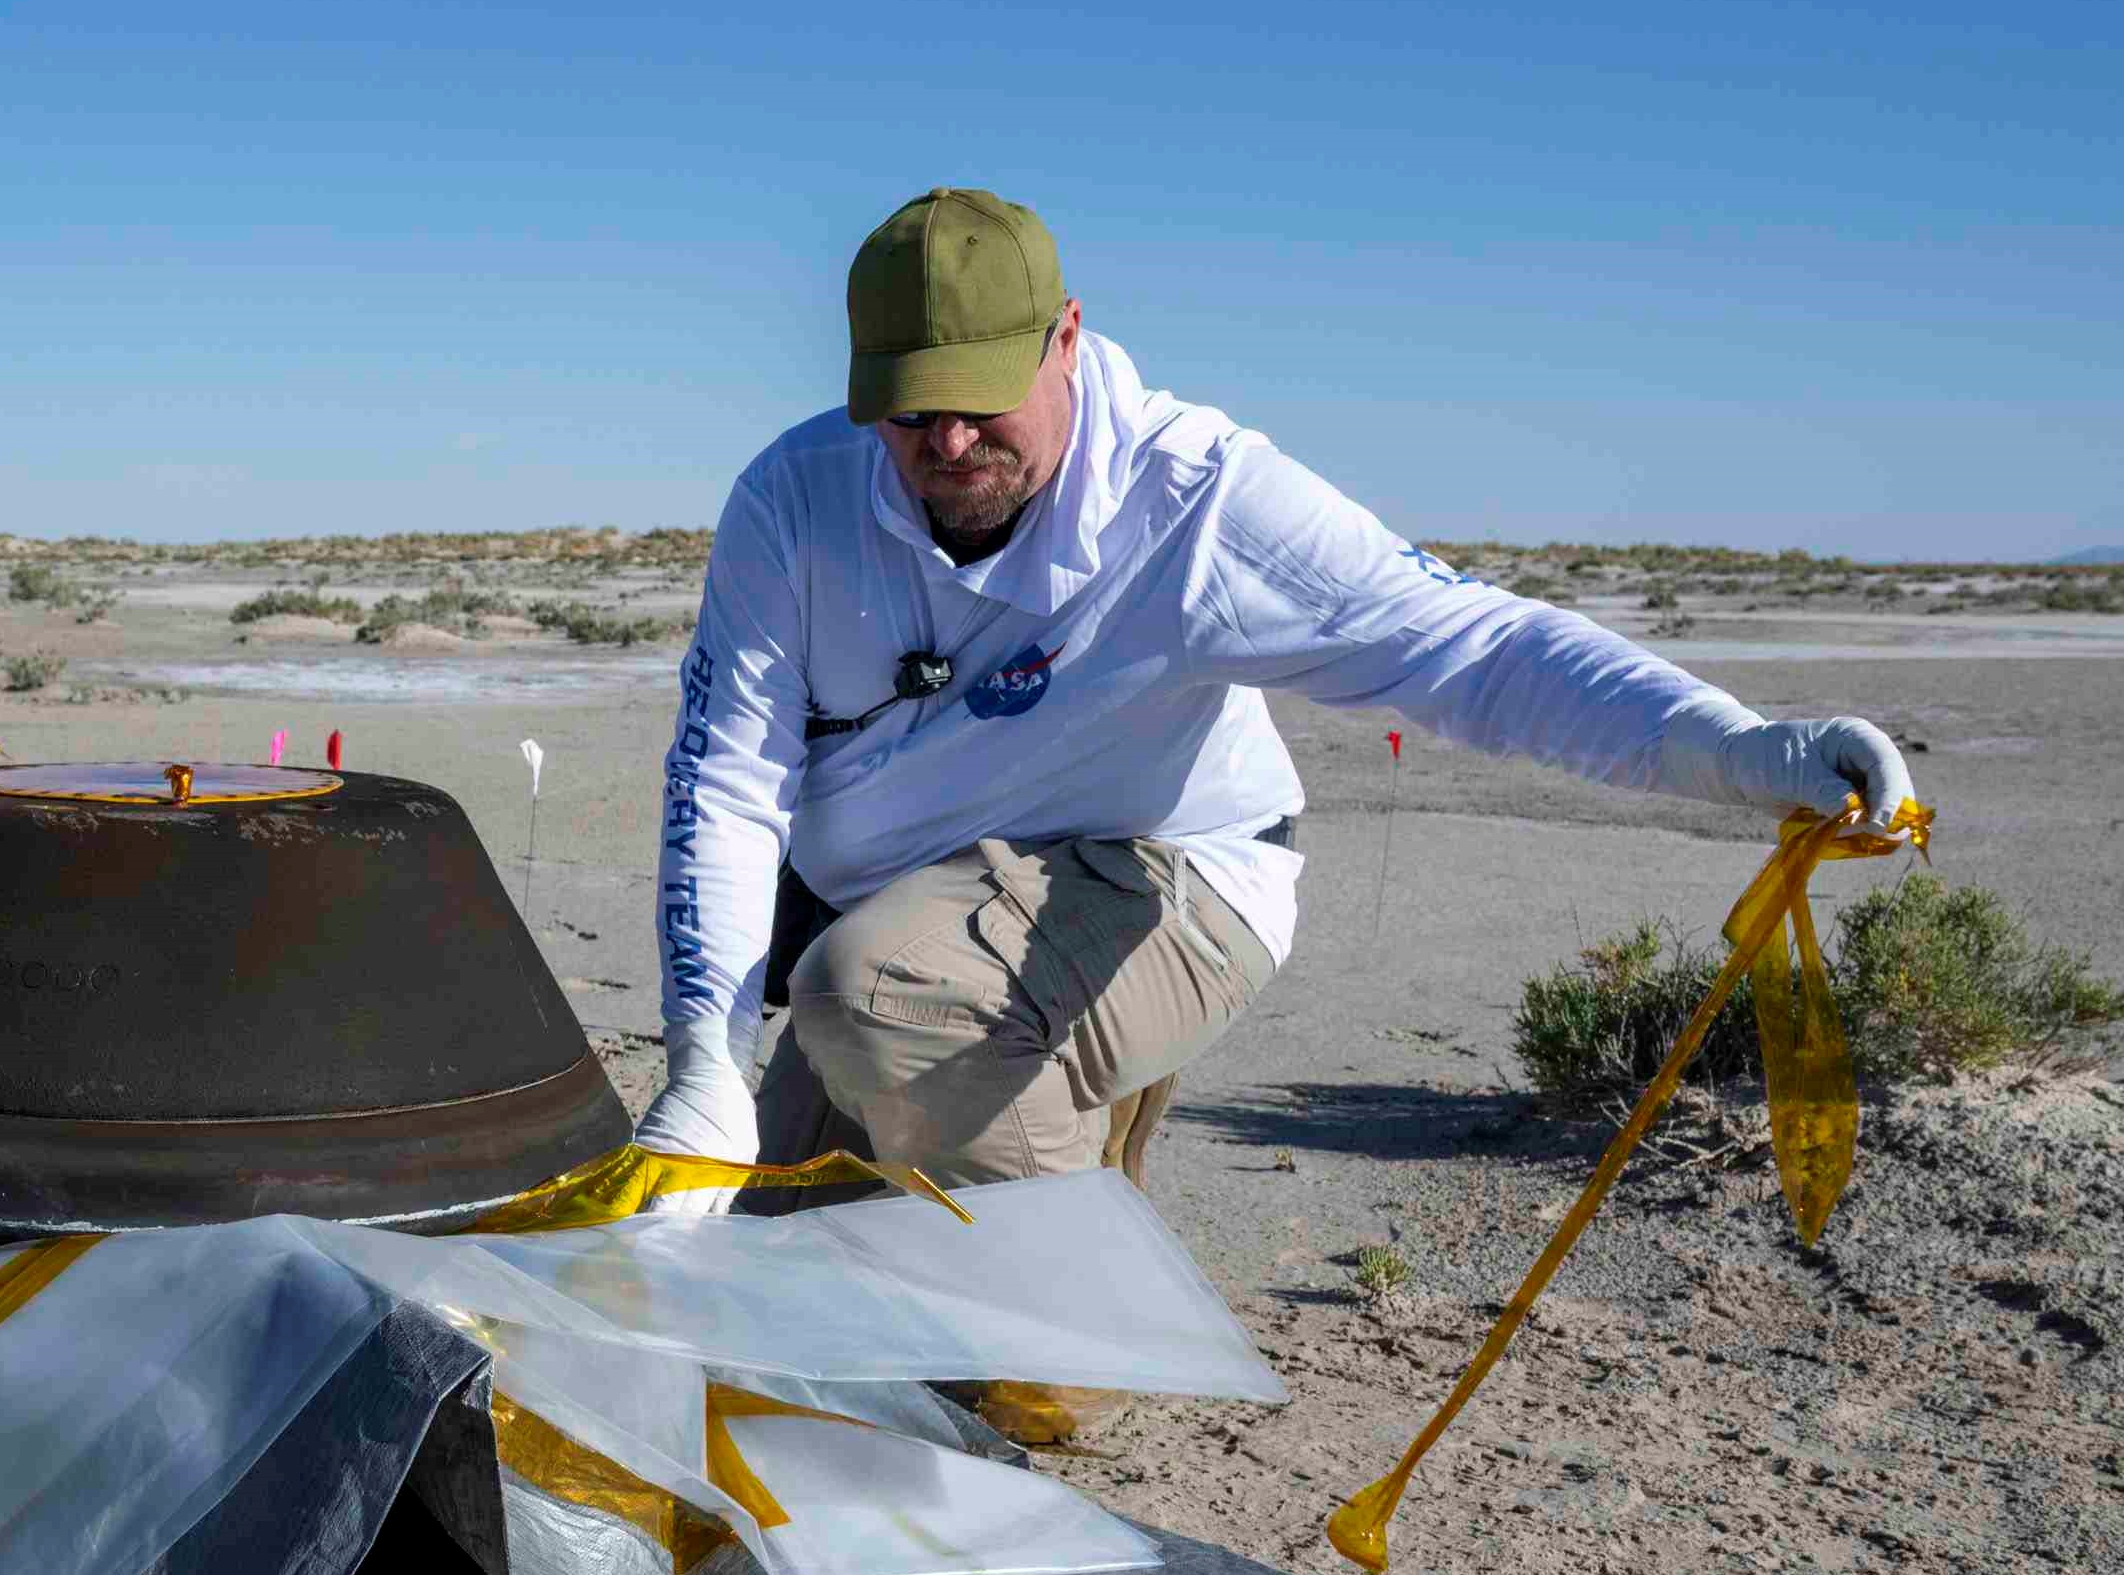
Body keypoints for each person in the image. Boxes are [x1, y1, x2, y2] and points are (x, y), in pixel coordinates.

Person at [639, 186, 1914, 1207]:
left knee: (869, 1005)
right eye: (909, 409)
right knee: (778, 1233)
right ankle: (1031, 1132)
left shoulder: (1200, 503)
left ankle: (1078, 1345)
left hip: (1165, 878)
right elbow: (730, 779)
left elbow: (1477, 650)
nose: (945, 445)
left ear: (1066, 338)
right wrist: (704, 1058)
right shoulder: (791, 501)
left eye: (977, 398)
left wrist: (1740, 748)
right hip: (912, 907)